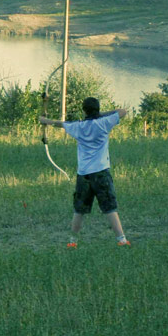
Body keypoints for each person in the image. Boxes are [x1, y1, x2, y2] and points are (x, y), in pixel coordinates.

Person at [39, 97, 131, 247]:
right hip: (101, 173)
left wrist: (45, 120)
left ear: (84, 110)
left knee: (79, 210)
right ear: (98, 109)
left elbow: (60, 124)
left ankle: (72, 242)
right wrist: (101, 114)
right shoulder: (104, 123)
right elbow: (123, 111)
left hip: (84, 175)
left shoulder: (78, 126)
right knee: (109, 208)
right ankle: (121, 240)